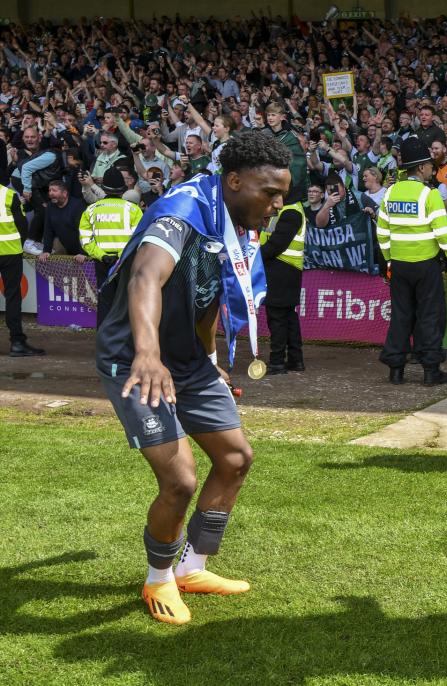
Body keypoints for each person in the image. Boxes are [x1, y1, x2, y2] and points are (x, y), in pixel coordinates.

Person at [94, 131, 292, 624]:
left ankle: (192, 567)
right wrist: (147, 354)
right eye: (269, 193)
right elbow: (145, 277)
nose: (277, 205)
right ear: (234, 180)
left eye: (282, 194)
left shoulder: (233, 223)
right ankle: (158, 580)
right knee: (180, 481)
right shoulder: (181, 212)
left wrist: (209, 360)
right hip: (136, 359)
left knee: (235, 458)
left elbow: (210, 297)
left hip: (188, 361)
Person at [376, 137, 447, 386]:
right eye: (430, 165)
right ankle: (431, 370)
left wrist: (389, 260)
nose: (433, 169)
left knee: (400, 315)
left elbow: (382, 233)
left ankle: (396, 369)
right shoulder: (429, 194)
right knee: (430, 315)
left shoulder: (390, 192)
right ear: (421, 168)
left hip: (399, 265)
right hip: (426, 264)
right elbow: (444, 233)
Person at [79, 166, 145, 326]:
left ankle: (104, 345)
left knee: (105, 302)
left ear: (103, 188)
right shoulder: (134, 210)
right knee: (128, 302)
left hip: (103, 263)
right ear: (123, 190)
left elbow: (86, 241)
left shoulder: (90, 210)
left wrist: (103, 256)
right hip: (126, 262)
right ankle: (128, 344)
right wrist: (121, 257)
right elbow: (139, 238)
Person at [260, 200, 306, 375]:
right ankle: (295, 359)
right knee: (288, 316)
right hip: (287, 269)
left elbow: (276, 245)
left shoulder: (290, 212)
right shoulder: (290, 210)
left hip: (281, 269)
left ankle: (277, 362)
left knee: (277, 317)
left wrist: (254, 256)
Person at [0, 180, 44, 356]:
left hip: (10, 252)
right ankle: (17, 342)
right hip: (10, 252)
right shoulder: (8, 194)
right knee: (12, 296)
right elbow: (22, 225)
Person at [38, 179, 85, 257]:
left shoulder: (78, 205)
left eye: (54, 190)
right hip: (68, 249)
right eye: (49, 190)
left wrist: (83, 253)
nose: (51, 193)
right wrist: (46, 250)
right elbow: (48, 230)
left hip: (84, 251)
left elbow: (83, 231)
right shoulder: (50, 206)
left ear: (65, 193)